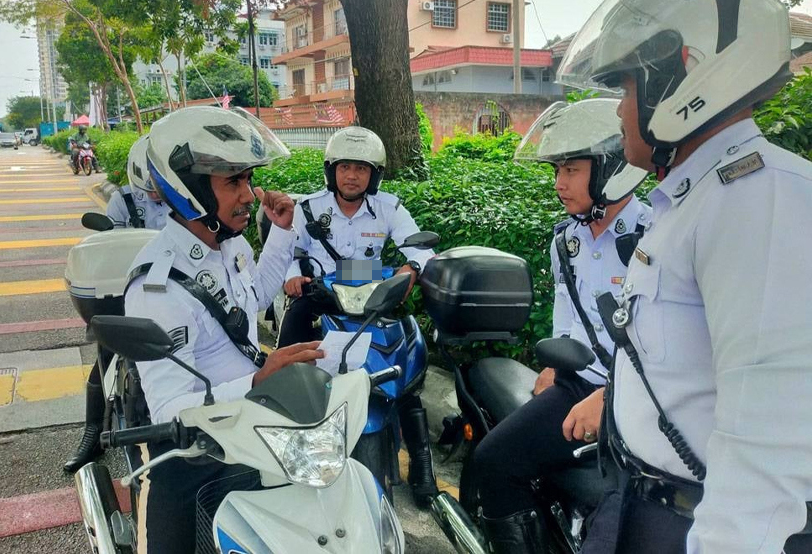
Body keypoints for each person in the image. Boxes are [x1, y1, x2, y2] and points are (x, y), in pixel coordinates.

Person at [556, 1, 812, 553]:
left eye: (626, 88)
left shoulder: (759, 200)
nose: (620, 110)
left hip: (697, 526)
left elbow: (766, 448)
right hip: (645, 502)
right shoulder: (695, 199)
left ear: (684, 77)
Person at [124, 106, 323, 554]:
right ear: (190, 189)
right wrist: (256, 380)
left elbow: (252, 304)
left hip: (251, 430)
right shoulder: (157, 287)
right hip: (195, 454)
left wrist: (281, 232)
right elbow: (169, 411)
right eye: (233, 182)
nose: (249, 195)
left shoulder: (227, 245)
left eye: (249, 179)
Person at [472, 99, 650, 552]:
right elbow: (568, 309)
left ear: (611, 169)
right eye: (556, 170)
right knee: (493, 460)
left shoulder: (654, 235)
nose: (559, 184)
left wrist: (611, 395)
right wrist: (555, 364)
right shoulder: (566, 239)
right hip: (578, 383)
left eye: (571, 170)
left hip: (640, 396)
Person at [277, 126, 439, 507]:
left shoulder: (389, 208)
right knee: (287, 362)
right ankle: (284, 436)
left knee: (406, 366)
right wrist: (293, 277)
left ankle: (422, 461)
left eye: (361, 169)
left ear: (374, 175)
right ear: (331, 170)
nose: (352, 176)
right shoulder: (309, 208)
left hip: (371, 301)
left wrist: (410, 270)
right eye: (345, 167)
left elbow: (420, 249)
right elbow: (288, 252)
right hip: (321, 299)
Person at [63, 135, 170, 473]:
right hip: (127, 289)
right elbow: (111, 246)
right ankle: (92, 433)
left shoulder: (186, 200)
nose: (156, 193)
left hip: (173, 292)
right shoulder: (122, 201)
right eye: (150, 186)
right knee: (105, 353)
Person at [105, 135, 170, 229]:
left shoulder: (185, 200)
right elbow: (112, 234)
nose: (154, 195)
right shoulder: (123, 199)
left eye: (159, 190)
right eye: (148, 190)